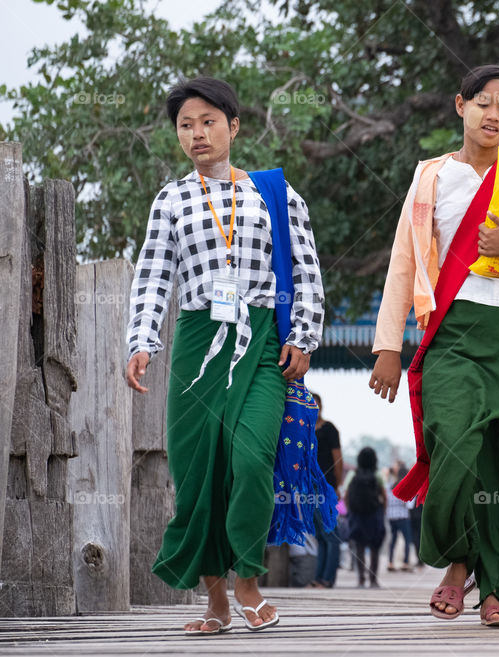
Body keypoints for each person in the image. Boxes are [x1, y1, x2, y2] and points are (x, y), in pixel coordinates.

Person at [368, 64, 499, 626]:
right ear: (460, 105)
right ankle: (458, 560)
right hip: (454, 333)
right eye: (484, 102)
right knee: (454, 446)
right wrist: (389, 345)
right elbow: (404, 263)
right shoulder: (432, 177)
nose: (494, 114)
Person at [124, 77, 324, 634]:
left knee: (252, 458)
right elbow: (153, 276)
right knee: (196, 475)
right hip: (196, 346)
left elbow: (306, 269)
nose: (196, 134)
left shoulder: (276, 195)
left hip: (260, 342)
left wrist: (303, 335)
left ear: (233, 127)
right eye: (185, 125)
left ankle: (248, 581)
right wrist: (142, 342)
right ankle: (215, 602)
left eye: (207, 121)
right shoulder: (171, 199)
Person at [309, 395, 343, 588]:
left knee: (331, 534)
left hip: (326, 485)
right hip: (308, 487)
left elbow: (337, 458)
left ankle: (328, 579)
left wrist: (337, 486)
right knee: (320, 535)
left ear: (321, 406)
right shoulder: (302, 429)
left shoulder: (329, 429)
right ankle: (318, 578)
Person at [345, 447, 386, 588]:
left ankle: (361, 579)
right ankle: (373, 580)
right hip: (374, 514)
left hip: (357, 515)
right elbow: (384, 495)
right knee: (375, 547)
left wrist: (350, 511)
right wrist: (382, 512)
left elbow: (346, 495)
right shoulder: (378, 475)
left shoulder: (352, 474)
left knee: (359, 547)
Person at [385, 464, 414, 572]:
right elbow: (409, 504)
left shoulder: (389, 486)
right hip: (403, 516)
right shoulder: (404, 486)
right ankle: (405, 563)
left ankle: (390, 562)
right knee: (407, 539)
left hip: (391, 516)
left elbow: (386, 501)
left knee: (392, 540)